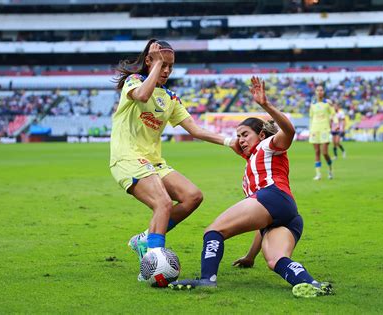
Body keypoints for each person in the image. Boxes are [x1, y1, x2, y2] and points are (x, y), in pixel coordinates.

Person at [169, 77, 333, 298]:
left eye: (245, 134)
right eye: (238, 136)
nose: (241, 140)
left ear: (262, 135)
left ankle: (207, 280)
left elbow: (290, 132)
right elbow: (262, 221)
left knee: (213, 232)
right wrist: (250, 256)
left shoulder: (268, 146)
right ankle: (312, 283)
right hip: (287, 214)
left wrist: (265, 105)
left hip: (273, 197)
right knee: (276, 260)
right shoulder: (253, 165)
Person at [110, 39, 236, 280]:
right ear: (149, 62)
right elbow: (143, 94)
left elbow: (196, 130)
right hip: (127, 157)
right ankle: (153, 263)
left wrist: (230, 142)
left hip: (154, 162)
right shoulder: (134, 82)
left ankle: (146, 239)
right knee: (164, 203)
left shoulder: (170, 97)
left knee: (192, 196)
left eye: (170, 66)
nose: (167, 71)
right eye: (163, 65)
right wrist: (155, 66)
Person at [309, 85, 334, 180]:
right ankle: (318, 174)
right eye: (318, 90)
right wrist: (310, 129)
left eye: (321, 90)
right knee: (317, 152)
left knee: (324, 152)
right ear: (315, 92)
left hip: (325, 129)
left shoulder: (327, 104)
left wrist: (335, 124)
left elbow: (333, 114)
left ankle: (330, 170)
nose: (319, 92)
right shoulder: (313, 104)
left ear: (323, 92)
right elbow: (311, 118)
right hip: (315, 130)